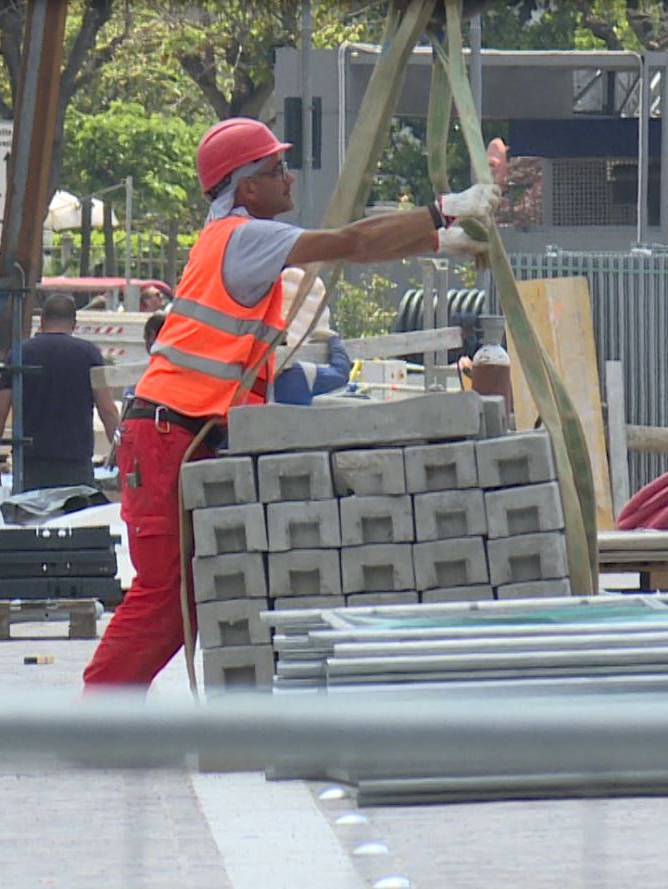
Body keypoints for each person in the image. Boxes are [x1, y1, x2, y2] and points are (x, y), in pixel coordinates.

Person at [80, 116, 498, 689]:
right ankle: (95, 720)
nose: (290, 179)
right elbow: (349, 242)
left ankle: (105, 721)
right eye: (278, 170)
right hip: (168, 439)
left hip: (176, 436)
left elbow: (354, 249)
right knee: (164, 597)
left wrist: (437, 241)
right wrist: (443, 211)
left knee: (184, 596)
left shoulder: (235, 238)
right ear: (247, 187)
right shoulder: (246, 237)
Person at [0, 294, 122, 492]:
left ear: (41, 321)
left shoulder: (20, 353)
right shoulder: (89, 354)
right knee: (78, 520)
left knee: (31, 519)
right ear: (74, 323)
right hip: (76, 464)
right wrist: (121, 456)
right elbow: (107, 410)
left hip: (31, 465)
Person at [272, 267, 352, 405]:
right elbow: (340, 373)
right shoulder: (298, 375)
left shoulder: (252, 371)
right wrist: (334, 341)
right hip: (293, 425)